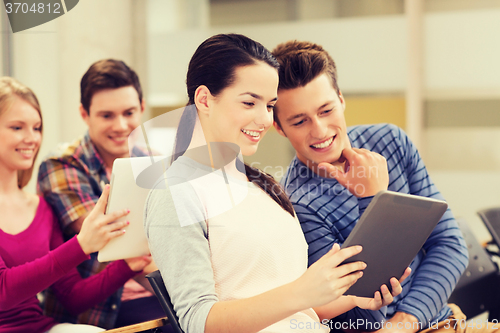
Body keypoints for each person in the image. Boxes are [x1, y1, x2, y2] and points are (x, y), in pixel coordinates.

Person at [144, 33, 410, 333]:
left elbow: (297, 312)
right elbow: (199, 321)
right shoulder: (175, 192)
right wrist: (301, 291)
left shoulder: (263, 186)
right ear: (204, 99)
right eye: (249, 102)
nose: (264, 119)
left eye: (269, 105)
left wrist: (354, 296)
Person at [271, 40, 473, 333]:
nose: (320, 130)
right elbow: (362, 310)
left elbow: (450, 245)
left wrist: (405, 323)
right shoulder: (298, 204)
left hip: (439, 322)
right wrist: (374, 198)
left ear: (340, 99)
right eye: (300, 121)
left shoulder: (391, 141)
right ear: (279, 127)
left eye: (326, 110)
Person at [0, 76, 151, 333]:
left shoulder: (41, 208)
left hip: (41, 327)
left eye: (36, 128)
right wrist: (81, 245)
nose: (32, 138)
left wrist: (128, 265)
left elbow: (72, 296)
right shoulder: (62, 165)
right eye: (17, 128)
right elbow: (3, 291)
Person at [37, 59, 165, 329]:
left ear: (142, 108)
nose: (120, 126)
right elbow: (109, 238)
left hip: (153, 292)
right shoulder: (61, 165)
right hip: (97, 310)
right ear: (84, 114)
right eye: (107, 115)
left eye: (129, 113)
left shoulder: (154, 161)